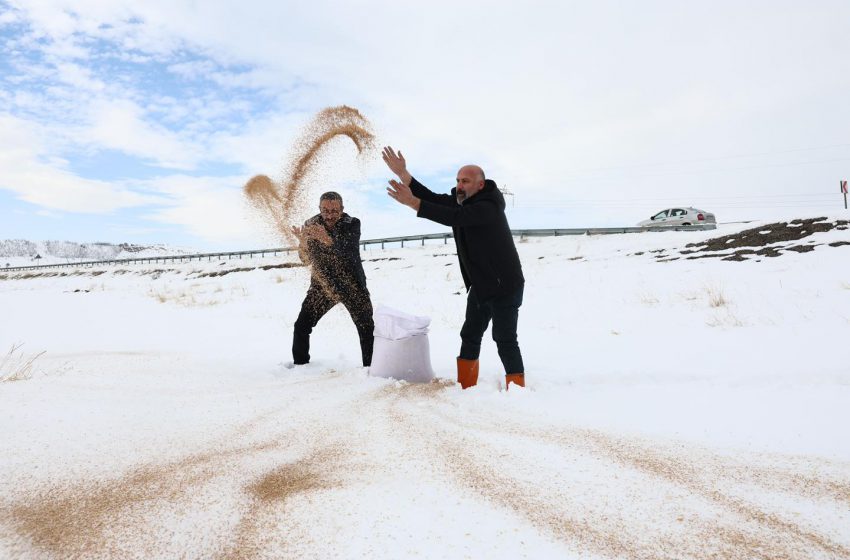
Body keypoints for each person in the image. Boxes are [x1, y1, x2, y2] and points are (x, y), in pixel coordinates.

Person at [381, 146, 526, 390]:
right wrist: (404, 175)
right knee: (469, 335)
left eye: (466, 181)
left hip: (505, 286)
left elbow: (456, 218)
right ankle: (466, 387)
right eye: (458, 180)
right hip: (481, 285)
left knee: (504, 339)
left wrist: (414, 204)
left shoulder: (488, 207)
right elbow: (434, 199)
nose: (460, 185)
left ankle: (517, 388)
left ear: (480, 185)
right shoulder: (461, 201)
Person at [290, 192, 374, 367]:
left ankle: (371, 369)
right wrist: (303, 243)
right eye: (325, 210)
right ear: (319, 208)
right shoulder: (311, 224)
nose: (329, 215)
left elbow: (347, 251)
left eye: (334, 211)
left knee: (367, 329)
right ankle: (300, 366)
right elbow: (305, 260)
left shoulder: (352, 224)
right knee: (301, 326)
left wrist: (326, 239)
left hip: (352, 285)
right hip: (323, 285)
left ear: (342, 209)